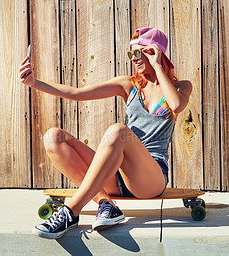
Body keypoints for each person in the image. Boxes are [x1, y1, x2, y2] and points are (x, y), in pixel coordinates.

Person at [19, 27, 192, 239]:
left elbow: (175, 105)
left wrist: (157, 66)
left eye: (139, 53)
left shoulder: (181, 87)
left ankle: (70, 212)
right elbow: (77, 94)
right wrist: (34, 83)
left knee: (119, 131)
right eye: (131, 54)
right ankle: (107, 204)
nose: (134, 59)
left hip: (150, 179)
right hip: (117, 176)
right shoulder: (128, 85)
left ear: (155, 52)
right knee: (53, 138)